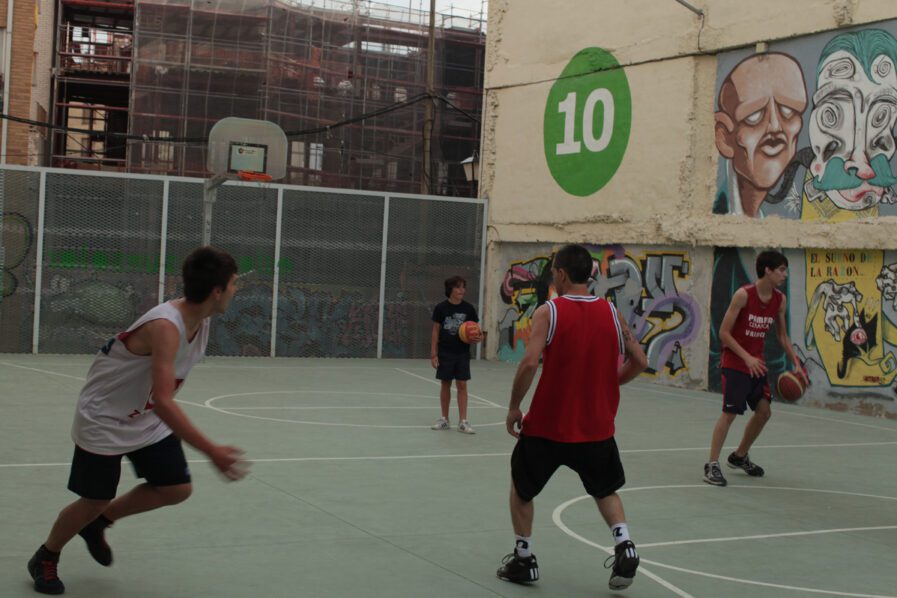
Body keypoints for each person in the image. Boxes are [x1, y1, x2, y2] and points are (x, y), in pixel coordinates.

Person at [27, 247, 249, 595]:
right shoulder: (166, 326)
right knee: (94, 499)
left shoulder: (200, 320)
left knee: (176, 488)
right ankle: (46, 555)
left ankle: (98, 524)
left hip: (141, 416)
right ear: (217, 290)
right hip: (104, 418)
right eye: (234, 284)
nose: (237, 290)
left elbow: (158, 400)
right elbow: (163, 400)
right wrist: (212, 450)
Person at [496, 244, 648, 591]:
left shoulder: (549, 312)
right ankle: (625, 545)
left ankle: (524, 559)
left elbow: (530, 362)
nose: (552, 276)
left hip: (549, 427)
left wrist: (514, 406)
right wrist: (612, 382)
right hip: (596, 428)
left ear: (562, 274)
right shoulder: (611, 313)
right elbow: (639, 360)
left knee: (522, 488)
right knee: (605, 489)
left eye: (553, 271)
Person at [704, 250, 803, 487]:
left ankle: (739, 456)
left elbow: (781, 335)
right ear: (767, 270)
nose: (785, 275)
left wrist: (796, 362)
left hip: (756, 365)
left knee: (764, 412)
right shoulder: (743, 295)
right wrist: (746, 357)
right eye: (781, 270)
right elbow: (724, 334)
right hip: (736, 363)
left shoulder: (779, 300)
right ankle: (712, 465)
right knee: (729, 414)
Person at [713, 52, 807, 217]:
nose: (775, 127)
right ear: (724, 139)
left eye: (788, 110)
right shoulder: (716, 214)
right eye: (753, 116)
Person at [430, 275, 481, 434]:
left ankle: (463, 421)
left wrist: (479, 336)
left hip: (462, 353)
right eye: (458, 287)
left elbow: (476, 329)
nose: (462, 290)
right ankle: (444, 419)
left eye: (463, 287)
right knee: (445, 384)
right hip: (445, 352)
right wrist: (433, 353)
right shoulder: (441, 308)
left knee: (462, 385)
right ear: (450, 290)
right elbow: (436, 330)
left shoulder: (468, 309)